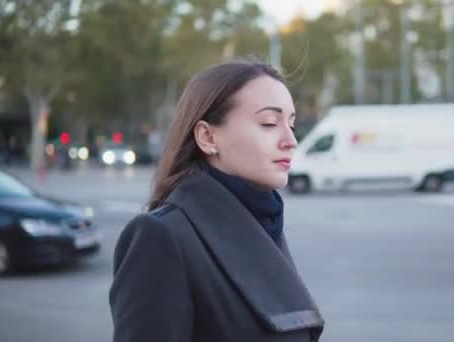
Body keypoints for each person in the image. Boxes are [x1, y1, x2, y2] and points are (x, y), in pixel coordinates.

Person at [109, 59, 325, 342]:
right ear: (208, 137)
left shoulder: (264, 220)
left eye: (291, 124)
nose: (290, 140)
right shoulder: (162, 237)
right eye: (269, 123)